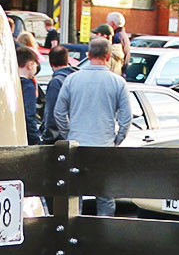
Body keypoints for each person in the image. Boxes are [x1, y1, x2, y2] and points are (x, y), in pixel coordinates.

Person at [51, 37, 130, 213]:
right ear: (108, 56)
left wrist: (68, 134)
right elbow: (126, 117)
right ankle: (103, 232)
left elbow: (59, 112)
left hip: (77, 146)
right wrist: (117, 139)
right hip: (104, 147)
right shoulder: (118, 82)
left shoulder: (71, 80)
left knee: (75, 194)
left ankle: (76, 233)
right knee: (104, 195)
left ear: (88, 54)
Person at [41, 44, 77, 142]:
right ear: (67, 60)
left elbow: (52, 113)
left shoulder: (56, 83)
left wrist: (48, 138)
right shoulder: (77, 80)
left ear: (51, 63)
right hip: (79, 135)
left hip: (61, 139)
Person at [16, 45, 41, 142]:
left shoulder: (9, 83)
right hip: (24, 137)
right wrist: (35, 140)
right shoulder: (28, 85)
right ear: (30, 65)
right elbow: (28, 115)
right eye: (35, 65)